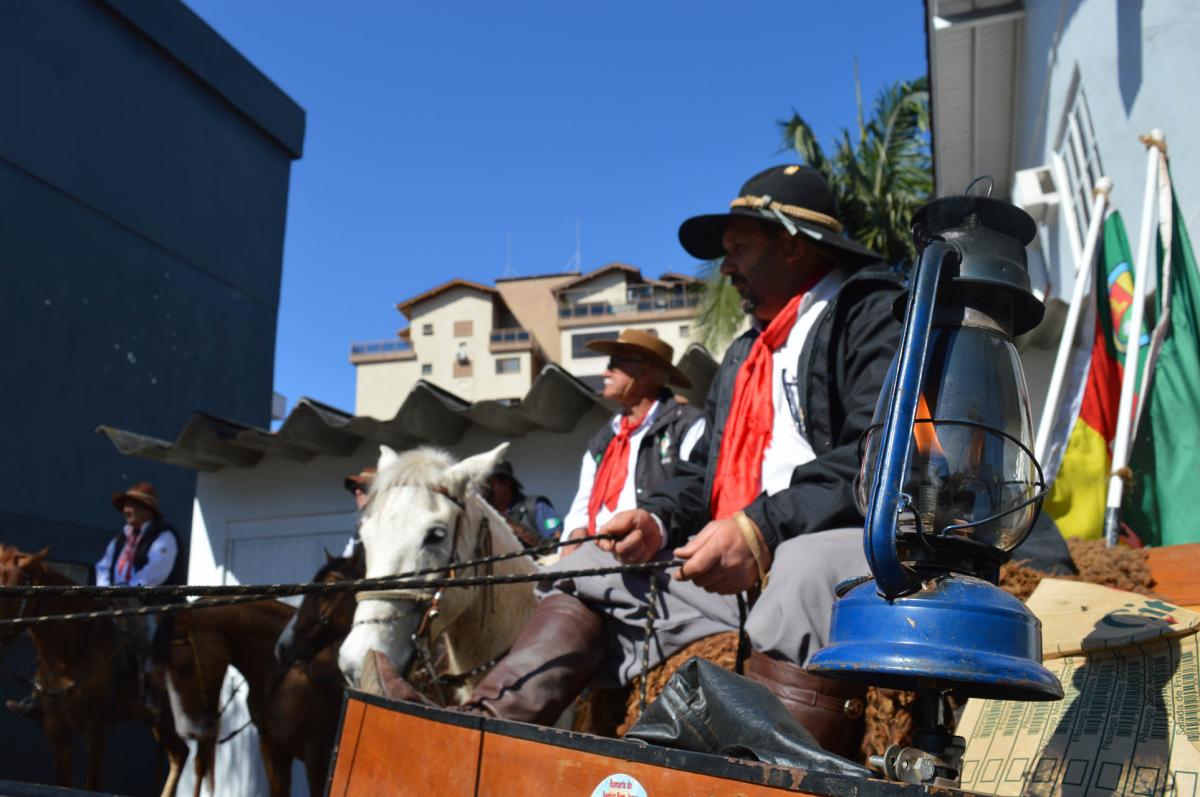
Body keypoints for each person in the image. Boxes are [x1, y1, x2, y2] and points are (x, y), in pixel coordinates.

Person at [438, 166, 901, 759]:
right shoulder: (745, 352)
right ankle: (482, 733)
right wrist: (654, 519)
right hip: (739, 559)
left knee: (800, 567)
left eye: (739, 249)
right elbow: (700, 477)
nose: (726, 267)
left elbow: (878, 455)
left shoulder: (867, 312)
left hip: (830, 545)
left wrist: (761, 527)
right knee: (587, 564)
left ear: (791, 245)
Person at [559, 329, 706, 554]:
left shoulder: (687, 425)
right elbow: (581, 503)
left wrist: (648, 529)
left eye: (613, 364)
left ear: (645, 372)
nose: (605, 372)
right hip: (597, 551)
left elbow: (694, 492)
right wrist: (575, 535)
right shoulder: (602, 440)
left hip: (657, 553)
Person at [484, 460, 563, 545]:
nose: (484, 491)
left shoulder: (536, 507)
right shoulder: (484, 518)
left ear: (506, 482)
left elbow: (557, 545)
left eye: (488, 484)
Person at [340, 466, 376, 557]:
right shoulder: (362, 522)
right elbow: (348, 557)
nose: (357, 492)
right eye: (355, 489)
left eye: (364, 488)